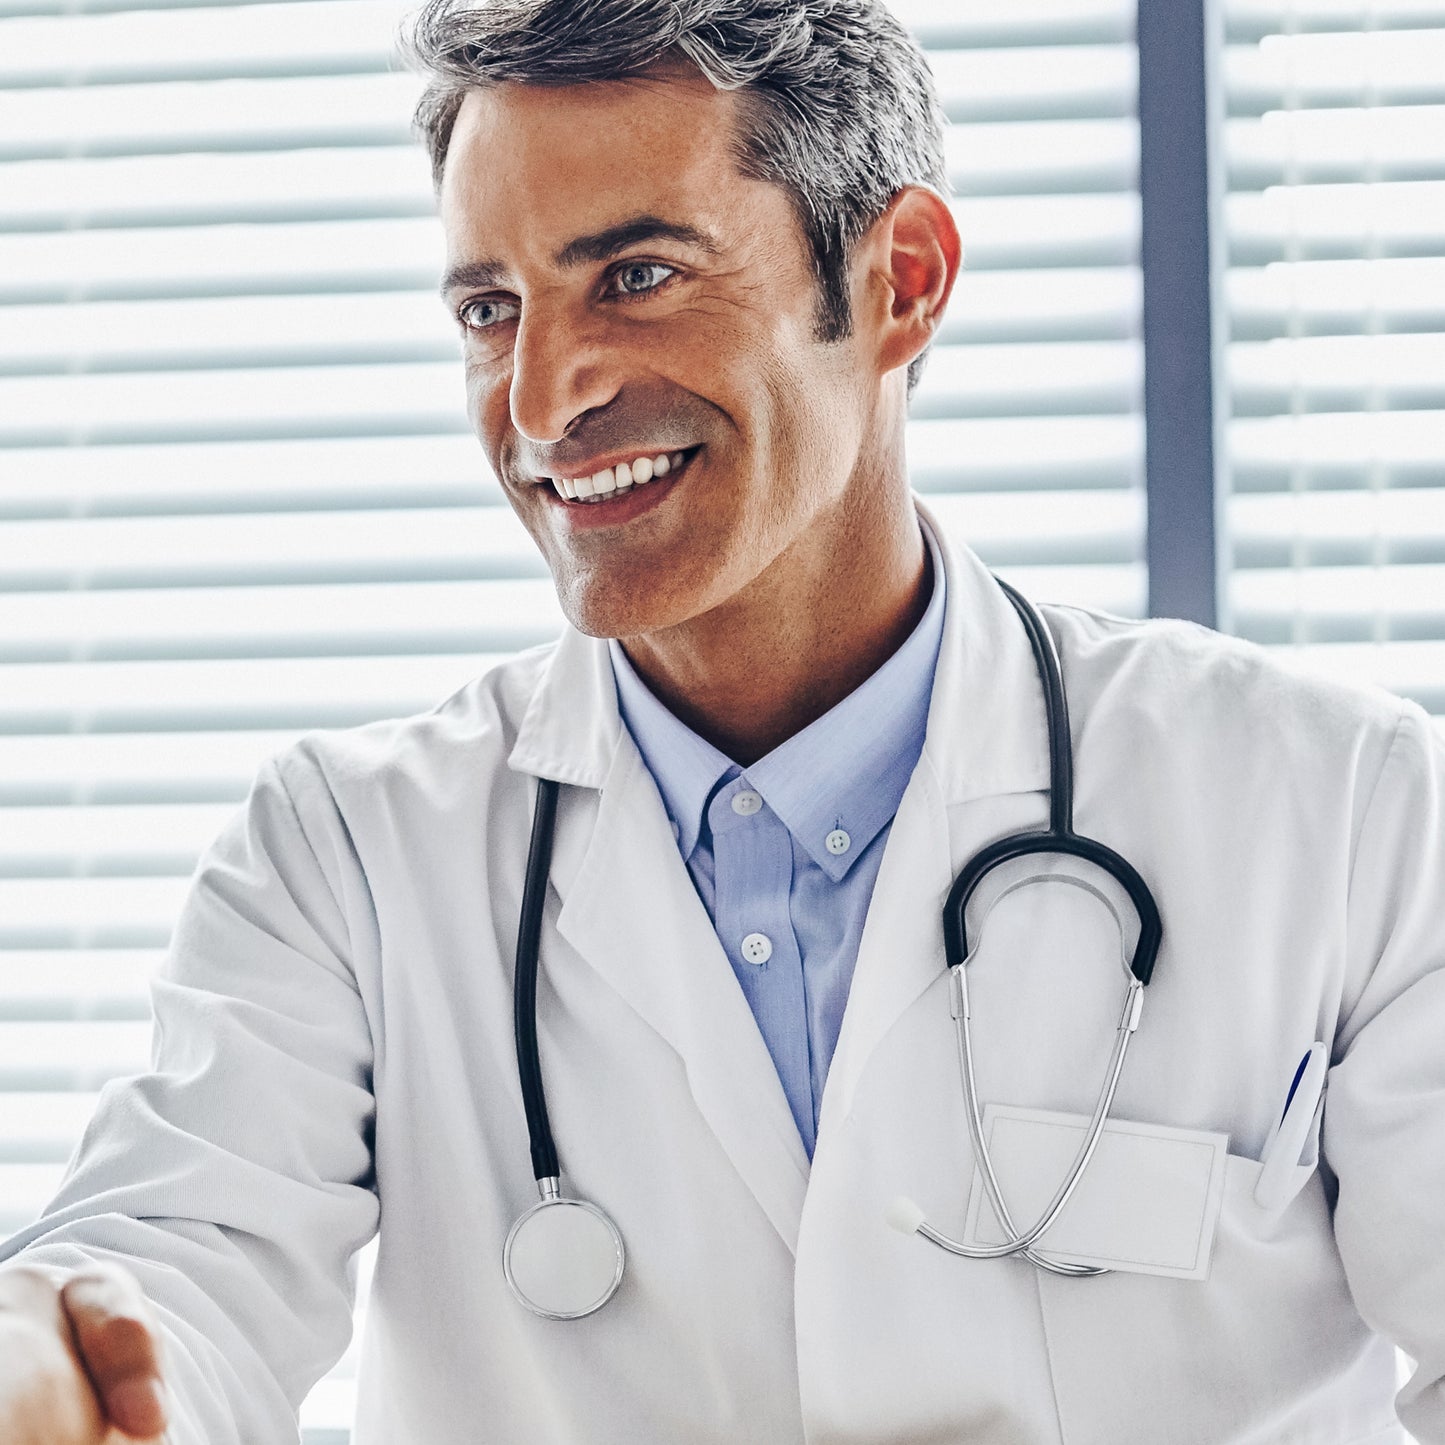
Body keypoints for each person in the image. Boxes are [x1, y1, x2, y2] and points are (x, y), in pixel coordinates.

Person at [3, 0, 1445, 1440]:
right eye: (488, 307)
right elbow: (175, 1260)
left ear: (901, 282)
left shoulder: (1339, 805)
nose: (542, 398)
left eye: (634, 274)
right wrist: (60, 1366)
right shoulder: (344, 855)